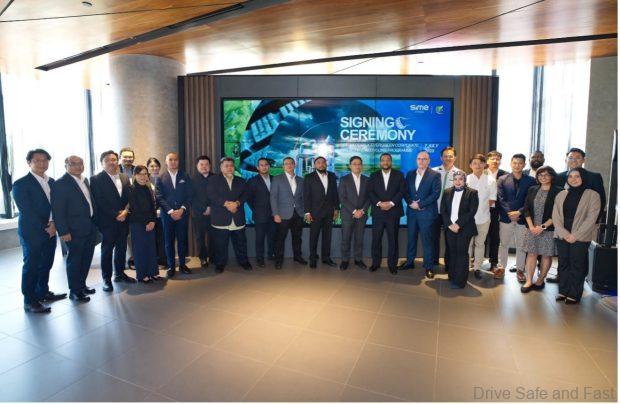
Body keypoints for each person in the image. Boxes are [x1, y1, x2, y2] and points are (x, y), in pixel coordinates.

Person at [12, 149, 65, 313]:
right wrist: (47, 227)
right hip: (32, 232)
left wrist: (54, 224)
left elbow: (57, 206)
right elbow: (27, 211)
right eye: (37, 160)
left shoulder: (52, 182)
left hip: (51, 229)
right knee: (32, 266)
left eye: (45, 160)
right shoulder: (21, 184)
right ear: (29, 163)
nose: (42, 163)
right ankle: (29, 300)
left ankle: (43, 292)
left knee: (46, 264)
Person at [51, 156, 98, 303]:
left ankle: (82, 285)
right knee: (75, 260)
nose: (78, 166)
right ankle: (74, 291)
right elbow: (58, 210)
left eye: (80, 164)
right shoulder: (60, 184)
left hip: (90, 227)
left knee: (86, 258)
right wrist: (63, 231)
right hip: (73, 230)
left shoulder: (85, 180)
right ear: (66, 166)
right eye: (73, 164)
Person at [552, 167, 601, 304]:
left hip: (581, 235)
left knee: (577, 264)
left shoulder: (593, 195)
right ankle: (563, 291)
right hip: (562, 234)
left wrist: (576, 235)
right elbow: (555, 216)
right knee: (563, 263)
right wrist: (564, 233)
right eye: (570, 176)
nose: (573, 179)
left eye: (577, 176)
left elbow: (592, 218)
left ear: (583, 178)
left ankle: (574, 293)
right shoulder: (561, 194)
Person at [90, 150, 135, 293]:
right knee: (107, 250)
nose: (111, 162)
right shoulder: (96, 179)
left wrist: (125, 212)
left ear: (118, 161)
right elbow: (99, 202)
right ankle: (106, 279)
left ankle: (120, 274)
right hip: (107, 221)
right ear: (102, 163)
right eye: (108, 160)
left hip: (124, 219)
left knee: (121, 248)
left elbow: (130, 197)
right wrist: (116, 214)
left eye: (114, 159)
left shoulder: (124, 177)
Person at [520, 166, 562, 293]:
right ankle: (528, 280)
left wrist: (543, 227)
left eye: (546, 175)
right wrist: (532, 227)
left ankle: (540, 280)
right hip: (532, 228)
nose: (543, 177)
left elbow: (558, 213)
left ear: (552, 176)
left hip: (548, 229)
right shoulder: (532, 189)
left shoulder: (559, 191)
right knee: (531, 253)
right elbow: (526, 209)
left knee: (546, 255)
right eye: (540, 175)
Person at [496, 153, 537, 280]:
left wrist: (519, 212)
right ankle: (501, 267)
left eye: (520, 163)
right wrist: (510, 213)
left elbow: (531, 200)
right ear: (511, 163)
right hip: (506, 217)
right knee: (504, 244)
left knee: (521, 246)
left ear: (524, 165)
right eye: (515, 163)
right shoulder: (502, 179)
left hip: (523, 218)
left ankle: (520, 270)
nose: (517, 165)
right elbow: (501, 198)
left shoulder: (531, 180)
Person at [207, 157, 252, 273]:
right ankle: (220, 264)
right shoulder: (213, 180)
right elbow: (212, 195)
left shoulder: (241, 181)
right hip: (220, 217)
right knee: (220, 244)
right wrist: (227, 204)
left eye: (231, 165)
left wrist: (237, 203)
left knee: (241, 243)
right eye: (226, 166)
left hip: (237, 216)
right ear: (221, 167)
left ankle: (243, 261)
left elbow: (246, 194)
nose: (229, 168)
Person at [401, 150, 441, 279]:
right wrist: (410, 203)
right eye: (419, 159)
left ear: (429, 161)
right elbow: (405, 191)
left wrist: (420, 204)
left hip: (427, 214)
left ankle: (428, 266)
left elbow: (435, 194)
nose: (421, 161)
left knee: (427, 241)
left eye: (424, 159)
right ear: (416, 160)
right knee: (411, 238)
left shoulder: (435, 175)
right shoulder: (410, 174)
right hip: (412, 213)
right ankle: (409, 262)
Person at [155, 152, 193, 278]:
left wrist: (182, 209)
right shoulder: (160, 177)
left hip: (182, 214)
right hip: (167, 216)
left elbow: (190, 195)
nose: (173, 162)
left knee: (182, 240)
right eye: (170, 160)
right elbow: (159, 197)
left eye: (175, 159)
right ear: (166, 162)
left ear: (178, 161)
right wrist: (171, 211)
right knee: (168, 241)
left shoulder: (185, 176)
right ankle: (171, 266)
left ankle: (182, 265)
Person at [368, 153, 405, 275]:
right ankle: (375, 263)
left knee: (393, 240)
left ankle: (392, 265)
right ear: (380, 162)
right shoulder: (373, 175)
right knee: (376, 240)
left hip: (393, 212)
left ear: (391, 162)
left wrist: (391, 203)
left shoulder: (399, 175)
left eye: (388, 160)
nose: (385, 162)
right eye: (383, 160)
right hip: (378, 213)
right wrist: (380, 203)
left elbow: (401, 191)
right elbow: (370, 192)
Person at [440, 171, 478, 288]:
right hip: (450, 228)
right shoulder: (447, 192)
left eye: (460, 179)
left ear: (464, 180)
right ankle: (452, 276)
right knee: (452, 252)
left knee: (461, 253)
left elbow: (472, 211)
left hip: (465, 228)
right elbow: (443, 210)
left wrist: (458, 224)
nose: (457, 181)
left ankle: (460, 281)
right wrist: (450, 224)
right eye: (455, 179)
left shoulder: (472, 193)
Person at [270, 157, 306, 269]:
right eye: (286, 164)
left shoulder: (301, 180)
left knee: (297, 237)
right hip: (282, 214)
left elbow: (303, 198)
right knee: (280, 238)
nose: (289, 165)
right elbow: (273, 197)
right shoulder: (277, 179)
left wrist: (304, 212)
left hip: (298, 213)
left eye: (291, 163)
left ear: (295, 165)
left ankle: (297, 257)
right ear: (283, 166)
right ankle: (278, 260)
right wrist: (275, 214)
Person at [303, 156, 339, 268]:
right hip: (315, 213)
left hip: (329, 212)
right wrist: (307, 212)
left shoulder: (332, 176)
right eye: (318, 162)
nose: (321, 164)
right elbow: (306, 196)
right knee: (313, 237)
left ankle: (326, 258)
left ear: (326, 164)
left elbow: (335, 193)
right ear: (315, 165)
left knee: (327, 237)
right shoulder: (308, 177)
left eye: (323, 162)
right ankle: (313, 259)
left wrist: (336, 209)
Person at [128, 165, 160, 283]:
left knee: (151, 248)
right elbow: (134, 209)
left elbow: (153, 206)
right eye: (140, 174)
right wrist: (147, 222)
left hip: (150, 223)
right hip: (138, 224)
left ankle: (153, 272)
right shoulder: (130, 189)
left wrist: (153, 221)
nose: (143, 176)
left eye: (145, 174)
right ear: (135, 175)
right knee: (140, 250)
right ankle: (142, 275)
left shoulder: (147, 188)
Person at [337, 156, 370, 270]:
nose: (357, 166)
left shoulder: (367, 180)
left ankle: (358, 259)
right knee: (346, 239)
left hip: (362, 215)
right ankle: (345, 260)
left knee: (359, 239)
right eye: (354, 164)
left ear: (362, 166)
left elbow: (369, 197)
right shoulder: (344, 179)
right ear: (350, 166)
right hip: (348, 215)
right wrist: (355, 211)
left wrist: (362, 211)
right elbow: (342, 198)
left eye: (359, 164)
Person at [466, 154, 496, 276]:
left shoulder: (491, 180)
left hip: (484, 218)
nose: (477, 165)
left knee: (480, 244)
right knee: (468, 244)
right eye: (474, 163)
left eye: (480, 163)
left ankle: (477, 267)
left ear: (484, 165)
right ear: (470, 165)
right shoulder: (466, 179)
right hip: (468, 219)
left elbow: (492, 199)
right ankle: (466, 266)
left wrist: (480, 208)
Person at [432, 146, 460, 266]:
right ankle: (433, 262)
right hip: (434, 210)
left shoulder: (460, 174)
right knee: (434, 238)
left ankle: (449, 264)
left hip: (450, 213)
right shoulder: (433, 171)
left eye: (450, 156)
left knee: (450, 239)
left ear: (455, 158)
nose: (448, 158)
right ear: (441, 157)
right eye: (445, 156)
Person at [247, 157, 275, 267]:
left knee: (272, 237)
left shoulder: (274, 179)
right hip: (260, 215)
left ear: (269, 166)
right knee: (260, 238)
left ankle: (271, 255)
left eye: (266, 165)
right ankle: (260, 258)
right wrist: (256, 209)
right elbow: (249, 198)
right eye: (261, 165)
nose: (264, 167)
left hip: (274, 215)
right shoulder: (252, 181)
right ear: (258, 167)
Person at [484, 150, 507, 274]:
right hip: (481, 209)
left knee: (494, 236)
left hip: (497, 210)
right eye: (492, 158)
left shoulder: (505, 175)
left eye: (498, 159)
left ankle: (493, 262)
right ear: (487, 161)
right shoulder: (481, 172)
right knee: (481, 235)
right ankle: (477, 259)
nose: (495, 161)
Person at [190, 155, 214, 268]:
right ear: (197, 166)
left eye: (206, 164)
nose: (204, 167)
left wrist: (210, 207)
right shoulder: (192, 180)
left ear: (210, 165)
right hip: (198, 213)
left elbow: (219, 195)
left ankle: (213, 256)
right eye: (201, 164)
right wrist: (204, 208)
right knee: (199, 237)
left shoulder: (216, 178)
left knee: (213, 236)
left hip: (214, 213)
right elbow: (191, 198)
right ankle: (203, 258)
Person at [146, 157, 167, 266]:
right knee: (151, 239)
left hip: (162, 214)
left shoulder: (163, 179)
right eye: (152, 166)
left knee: (162, 238)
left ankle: (162, 260)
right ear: (147, 167)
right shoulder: (144, 181)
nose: (154, 168)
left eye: (157, 166)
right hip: (150, 215)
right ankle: (153, 261)